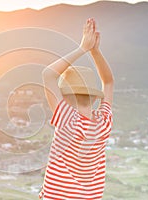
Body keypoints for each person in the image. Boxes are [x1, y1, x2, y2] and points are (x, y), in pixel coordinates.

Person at [39, 18, 114, 199]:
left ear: (64, 97)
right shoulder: (103, 123)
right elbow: (109, 81)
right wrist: (95, 52)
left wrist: (83, 48)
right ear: (94, 97)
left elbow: (48, 75)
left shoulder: (67, 121)